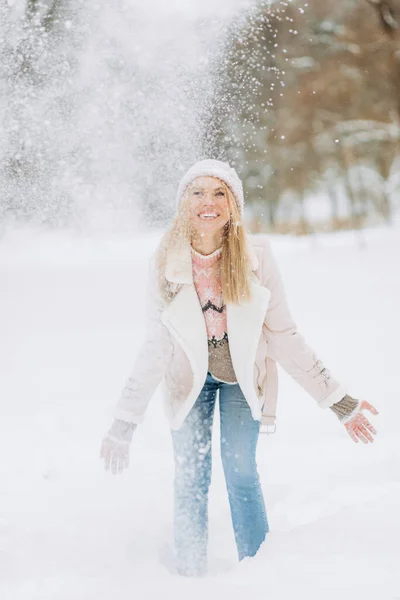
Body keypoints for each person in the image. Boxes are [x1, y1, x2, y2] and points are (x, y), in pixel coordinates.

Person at [100, 159, 379, 577]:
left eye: (219, 194)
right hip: (186, 383)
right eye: (198, 193)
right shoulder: (166, 262)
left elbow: (283, 336)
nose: (208, 203)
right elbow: (156, 346)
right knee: (191, 476)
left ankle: (260, 573)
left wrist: (340, 401)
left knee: (241, 471)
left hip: (242, 382)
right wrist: (125, 421)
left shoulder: (257, 258)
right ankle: (189, 575)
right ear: (183, 203)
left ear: (234, 205)